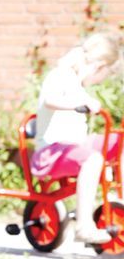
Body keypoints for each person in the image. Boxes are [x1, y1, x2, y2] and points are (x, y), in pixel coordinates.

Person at [30, 32, 124, 245]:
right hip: (50, 153)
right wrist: (76, 103)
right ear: (98, 67)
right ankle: (84, 226)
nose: (100, 81)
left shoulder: (77, 84)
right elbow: (51, 100)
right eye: (104, 76)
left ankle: (121, 200)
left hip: (73, 147)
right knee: (93, 159)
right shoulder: (60, 75)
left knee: (120, 142)